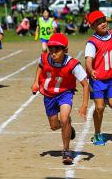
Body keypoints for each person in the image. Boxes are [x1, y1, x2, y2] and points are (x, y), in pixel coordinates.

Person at [31, 33, 89, 165]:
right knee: (54, 125)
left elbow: (85, 84)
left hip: (65, 93)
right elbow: (40, 66)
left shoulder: (73, 64)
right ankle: (69, 127)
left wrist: (84, 105)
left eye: (57, 49)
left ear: (65, 50)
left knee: (63, 118)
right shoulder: (45, 58)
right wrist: (35, 82)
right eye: (51, 49)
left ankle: (66, 151)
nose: (53, 52)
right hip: (49, 94)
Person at [85, 11, 112, 146]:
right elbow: (88, 61)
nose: (103, 24)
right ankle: (97, 133)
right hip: (98, 80)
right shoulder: (92, 42)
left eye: (104, 21)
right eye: (98, 22)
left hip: (111, 79)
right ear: (93, 26)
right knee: (100, 108)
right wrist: (91, 70)